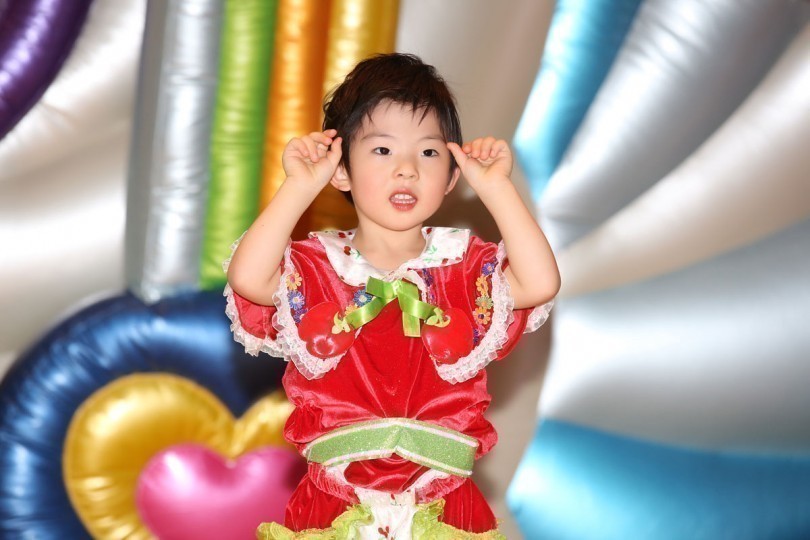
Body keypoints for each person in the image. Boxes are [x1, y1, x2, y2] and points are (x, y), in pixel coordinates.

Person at [225, 53, 560, 539]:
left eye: (429, 153)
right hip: (336, 503)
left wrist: (497, 188)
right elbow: (249, 278)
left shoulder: (464, 265)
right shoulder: (317, 267)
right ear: (341, 170)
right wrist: (298, 187)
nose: (407, 170)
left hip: (444, 501)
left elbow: (539, 283)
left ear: (451, 177)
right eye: (383, 150)